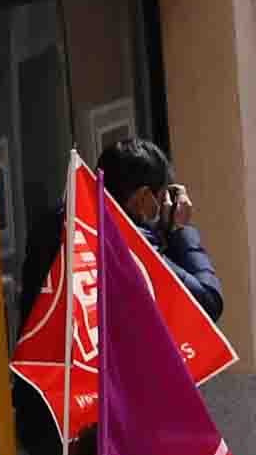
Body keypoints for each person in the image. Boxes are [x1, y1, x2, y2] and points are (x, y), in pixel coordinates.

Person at [84, 136, 225, 321]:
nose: (165, 204)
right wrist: (181, 230)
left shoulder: (80, 230)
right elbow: (207, 303)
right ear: (143, 198)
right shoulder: (135, 251)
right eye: (161, 196)